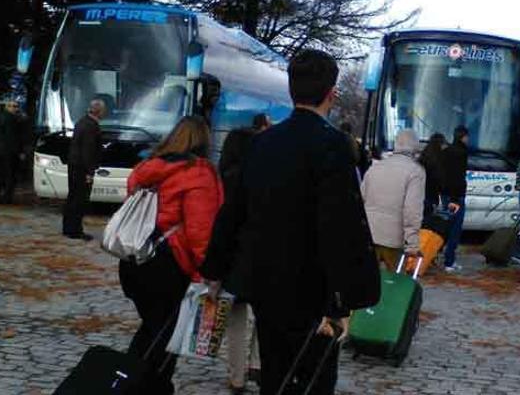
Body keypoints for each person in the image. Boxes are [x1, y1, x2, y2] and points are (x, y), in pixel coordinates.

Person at [200, 49, 380, 395]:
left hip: (265, 280)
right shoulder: (332, 145)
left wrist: (216, 267)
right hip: (311, 286)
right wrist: (343, 299)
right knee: (313, 376)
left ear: (291, 90)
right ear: (332, 93)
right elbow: (340, 225)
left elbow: (235, 210)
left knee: (275, 370)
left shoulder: (263, 143)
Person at [119, 116, 223, 394]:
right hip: (170, 266)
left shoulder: (148, 167)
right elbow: (201, 232)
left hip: (135, 261)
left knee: (152, 328)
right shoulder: (199, 174)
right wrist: (209, 275)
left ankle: (127, 379)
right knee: (166, 337)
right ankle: (149, 387)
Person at [214, 127, 261, 394]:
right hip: (263, 258)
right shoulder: (265, 178)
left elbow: (222, 227)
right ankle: (257, 363)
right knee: (263, 316)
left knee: (235, 321)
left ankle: (236, 376)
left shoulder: (226, 180)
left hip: (235, 260)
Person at [361, 129, 425, 271]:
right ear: (415, 147)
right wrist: (412, 244)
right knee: (394, 283)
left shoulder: (375, 167)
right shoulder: (415, 172)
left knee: (369, 281)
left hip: (369, 235)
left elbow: (360, 199)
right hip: (393, 239)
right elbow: (412, 211)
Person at [62, 99, 106, 240]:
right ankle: (75, 230)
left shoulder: (82, 122)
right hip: (82, 168)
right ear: (98, 111)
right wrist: (90, 172)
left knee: (73, 197)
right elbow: (88, 151)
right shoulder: (90, 126)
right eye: (103, 110)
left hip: (75, 166)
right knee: (80, 199)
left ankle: (68, 227)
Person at [441, 126, 470, 272]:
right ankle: (449, 261)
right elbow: (458, 176)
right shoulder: (461, 153)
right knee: (455, 228)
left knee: (446, 226)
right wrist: (455, 197)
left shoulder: (446, 151)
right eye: (467, 137)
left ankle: (442, 256)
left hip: (446, 194)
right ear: (463, 137)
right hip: (456, 196)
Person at [0, 98, 27, 204]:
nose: (16, 108)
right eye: (13, 106)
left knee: (2, 174)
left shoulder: (4, 117)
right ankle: (6, 197)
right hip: (10, 151)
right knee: (10, 175)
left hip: (3, 150)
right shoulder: (11, 119)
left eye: (16, 106)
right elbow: (13, 137)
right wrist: (20, 152)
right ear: (7, 107)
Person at [418, 133, 447, 218]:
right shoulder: (440, 160)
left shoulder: (422, 157)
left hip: (419, 196)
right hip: (431, 197)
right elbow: (441, 181)